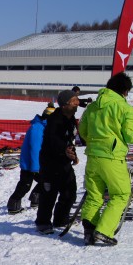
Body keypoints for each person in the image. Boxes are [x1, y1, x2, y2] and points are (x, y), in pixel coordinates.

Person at [79, 72, 133, 246]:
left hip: (93, 157)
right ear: (124, 91)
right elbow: (130, 136)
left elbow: (83, 132)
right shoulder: (125, 108)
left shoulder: (92, 107)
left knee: (94, 196)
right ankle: (103, 231)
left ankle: (89, 231)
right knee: (121, 194)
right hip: (112, 158)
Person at [35, 90, 80, 234]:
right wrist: (65, 150)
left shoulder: (71, 118)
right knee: (49, 194)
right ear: (65, 104)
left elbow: (69, 140)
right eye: (74, 101)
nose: (77, 103)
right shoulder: (55, 120)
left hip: (64, 162)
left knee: (70, 193)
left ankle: (60, 218)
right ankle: (43, 222)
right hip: (50, 162)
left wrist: (73, 154)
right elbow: (54, 141)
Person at [7, 102, 55, 214]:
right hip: (31, 164)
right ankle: (13, 205)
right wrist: (35, 167)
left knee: (45, 181)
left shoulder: (44, 126)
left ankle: (35, 199)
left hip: (36, 163)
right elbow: (35, 148)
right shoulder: (37, 128)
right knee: (25, 185)